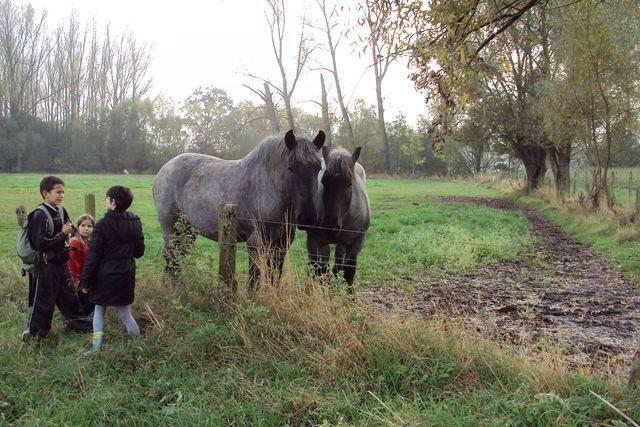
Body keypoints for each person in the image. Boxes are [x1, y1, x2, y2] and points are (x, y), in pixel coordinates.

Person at [23, 176, 92, 341]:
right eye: (57, 192)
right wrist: (63, 234)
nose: (61, 195)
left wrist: (82, 235)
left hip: (61, 262)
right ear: (45, 193)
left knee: (69, 297)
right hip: (45, 265)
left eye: (63, 192)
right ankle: (35, 336)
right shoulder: (39, 215)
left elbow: (71, 229)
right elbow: (40, 243)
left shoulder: (61, 210)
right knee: (44, 302)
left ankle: (81, 326)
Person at [80, 185, 145, 354]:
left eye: (107, 198)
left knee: (99, 310)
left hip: (105, 276)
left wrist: (85, 281)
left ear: (113, 202)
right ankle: (138, 346)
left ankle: (95, 348)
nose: (105, 201)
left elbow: (92, 257)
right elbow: (139, 252)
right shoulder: (135, 222)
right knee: (125, 312)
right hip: (126, 274)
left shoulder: (102, 225)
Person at [67, 214, 95, 315]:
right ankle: (79, 323)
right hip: (79, 281)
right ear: (78, 227)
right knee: (84, 304)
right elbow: (72, 264)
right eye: (83, 225)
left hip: (87, 279)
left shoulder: (88, 243)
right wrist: (78, 281)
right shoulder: (75, 243)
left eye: (89, 226)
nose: (86, 229)